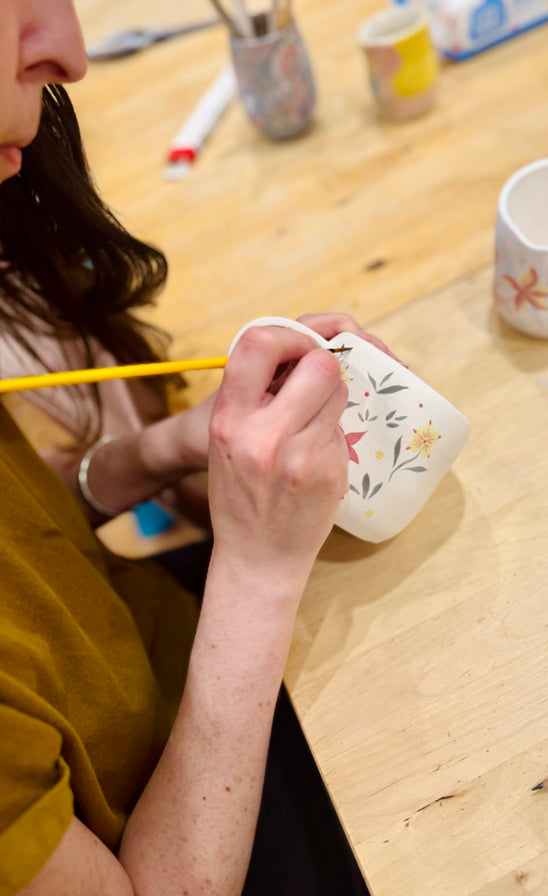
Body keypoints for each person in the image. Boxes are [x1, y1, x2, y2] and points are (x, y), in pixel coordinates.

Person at [0, 1, 396, 893]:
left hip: (187, 669)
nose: (67, 51)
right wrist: (256, 573)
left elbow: (31, 553)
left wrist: (167, 447)